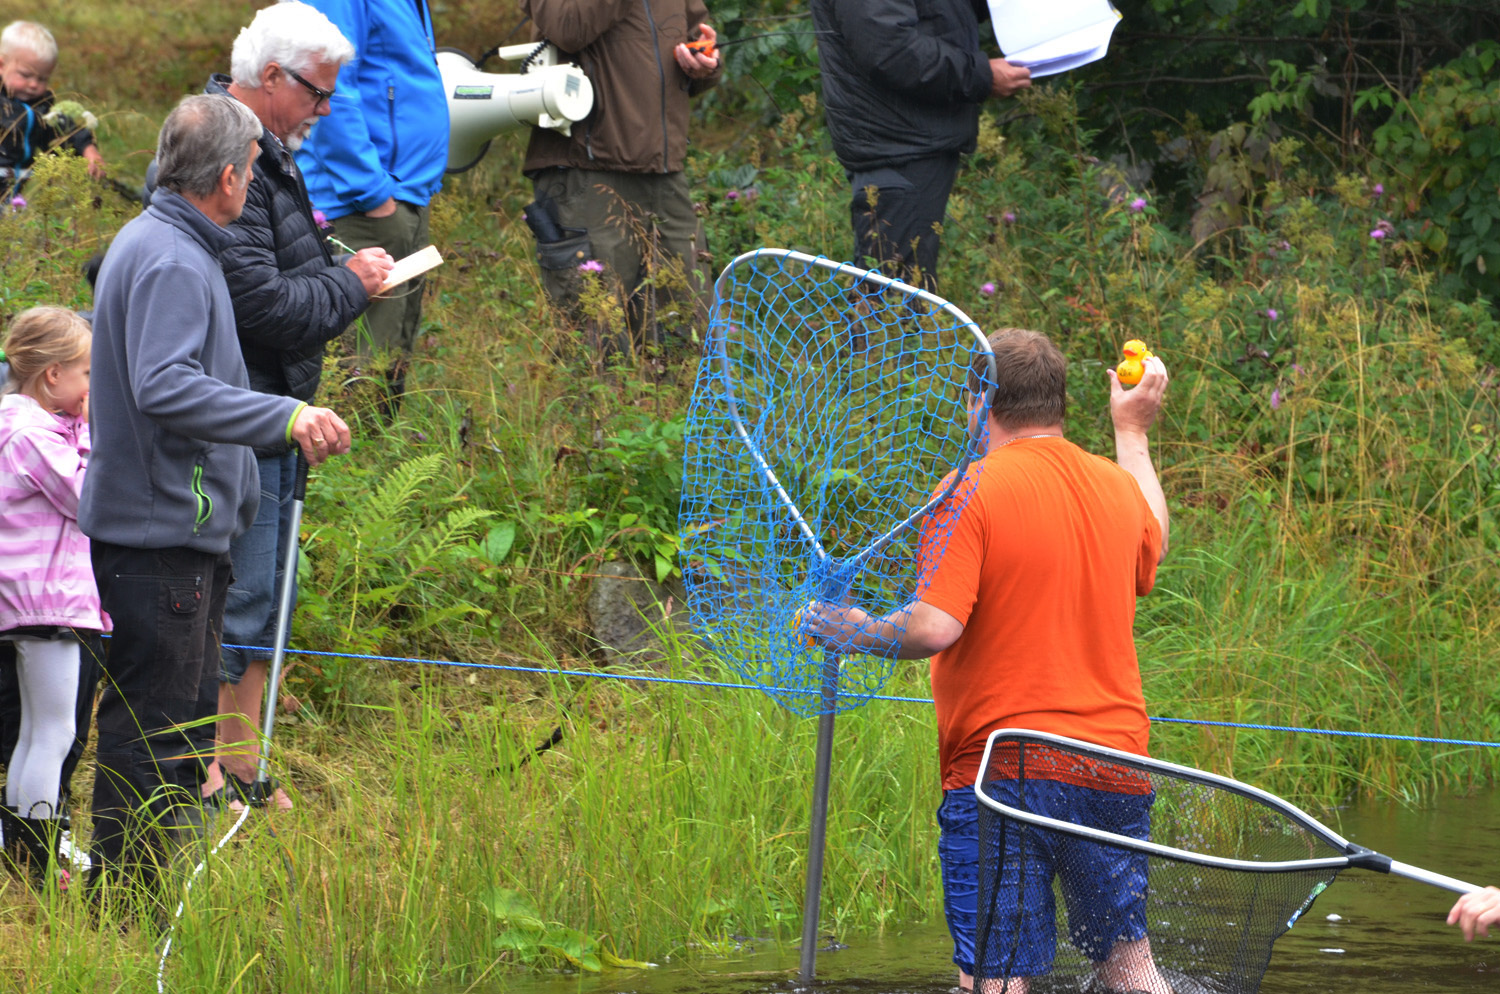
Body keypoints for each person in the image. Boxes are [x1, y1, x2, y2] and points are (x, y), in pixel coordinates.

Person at [800, 329, 1171, 993]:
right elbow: (1157, 538)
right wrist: (1132, 429)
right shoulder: (1118, 489)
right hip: (1114, 765)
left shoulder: (966, 489)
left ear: (981, 402)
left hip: (1004, 769)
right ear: (1057, 404)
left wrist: (853, 628)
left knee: (994, 979)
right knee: (1128, 963)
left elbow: (936, 626)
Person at [81, 93, 352, 895]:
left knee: (182, 725)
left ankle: (152, 891)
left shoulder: (177, 242)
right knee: (151, 729)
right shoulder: (168, 256)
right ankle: (127, 906)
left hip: (182, 533)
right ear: (230, 178)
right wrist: (287, 414)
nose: (255, 184)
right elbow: (164, 386)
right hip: (158, 534)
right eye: (254, 171)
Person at [185, 1, 392, 812]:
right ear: (270, 78)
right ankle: (206, 772)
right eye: (315, 91)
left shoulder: (270, 149)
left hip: (276, 412)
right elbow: (259, 305)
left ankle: (243, 766)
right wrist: (352, 285)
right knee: (229, 597)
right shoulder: (220, 153)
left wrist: (341, 274)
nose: (325, 109)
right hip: (238, 416)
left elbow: (282, 268)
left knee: (267, 593)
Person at [521, 0, 722, 357]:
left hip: (664, 172)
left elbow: (695, 37)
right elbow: (568, 27)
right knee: (597, 347)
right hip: (586, 172)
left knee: (686, 334)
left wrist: (704, 62)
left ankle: (679, 413)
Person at [809, 0, 1030, 289]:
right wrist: (979, 76)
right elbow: (889, 49)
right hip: (898, 147)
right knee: (892, 306)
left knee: (901, 297)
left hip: (911, 142)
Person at [293, 0, 448, 409]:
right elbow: (328, 87)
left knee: (389, 362)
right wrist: (373, 194)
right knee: (359, 372)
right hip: (362, 203)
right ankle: (353, 469)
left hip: (403, 192)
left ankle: (376, 465)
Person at [0, 306, 106, 891]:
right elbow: (88, 499)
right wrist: (92, 429)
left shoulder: (15, 425)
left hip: (26, 598)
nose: (94, 387)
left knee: (34, 733)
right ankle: (41, 859)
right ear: (53, 376)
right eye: (88, 374)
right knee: (54, 735)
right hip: (49, 600)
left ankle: (21, 847)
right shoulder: (34, 434)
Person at [0, 20, 105, 199]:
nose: (34, 85)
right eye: (26, 75)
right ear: (2, 65)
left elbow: (64, 130)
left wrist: (88, 150)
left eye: (42, 79)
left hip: (13, 191)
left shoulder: (42, 106)